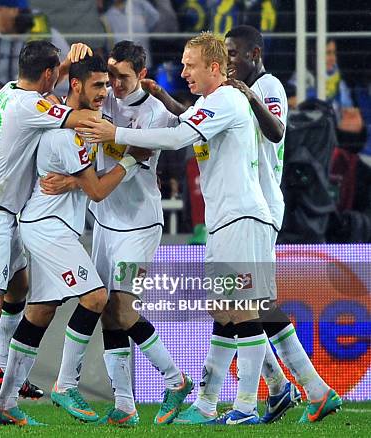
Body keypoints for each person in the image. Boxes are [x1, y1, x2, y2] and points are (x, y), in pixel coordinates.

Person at [78, 31, 274, 425]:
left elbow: (179, 135)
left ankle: (247, 407)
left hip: (242, 216)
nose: (182, 71)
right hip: (221, 221)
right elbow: (186, 120)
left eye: (190, 65)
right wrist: (165, 101)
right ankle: (206, 404)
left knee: (243, 308)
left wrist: (116, 133)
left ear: (214, 68)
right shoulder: (210, 102)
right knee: (223, 311)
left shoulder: (228, 100)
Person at [176, 24, 338, 425]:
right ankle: (301, 389)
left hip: (258, 206)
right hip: (239, 209)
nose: (229, 62)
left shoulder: (267, 87)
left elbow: (277, 131)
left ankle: (250, 398)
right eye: (225, 55)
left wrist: (249, 96)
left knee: (246, 305)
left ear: (254, 53)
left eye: (234, 54)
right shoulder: (227, 96)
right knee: (244, 305)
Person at [41, 41, 193, 427]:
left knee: (124, 309)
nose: (114, 84)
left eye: (123, 77)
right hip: (105, 223)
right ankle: (124, 404)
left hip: (139, 225)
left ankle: (175, 380)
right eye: (109, 77)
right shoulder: (102, 99)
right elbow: (58, 105)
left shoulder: (155, 114)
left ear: (142, 75)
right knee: (108, 312)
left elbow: (136, 154)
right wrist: (66, 67)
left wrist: (80, 179)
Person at [0, 54, 147, 426]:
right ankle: (66, 383)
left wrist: (74, 180)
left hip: (50, 223)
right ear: (75, 85)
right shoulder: (65, 134)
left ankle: (5, 403)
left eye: (106, 85)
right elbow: (97, 192)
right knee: (96, 298)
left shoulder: (71, 118)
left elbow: (84, 181)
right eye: (97, 85)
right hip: (48, 226)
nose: (103, 93)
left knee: (40, 311)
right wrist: (132, 162)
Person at [0, 40, 100, 427]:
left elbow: (48, 88)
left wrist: (67, 62)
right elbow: (79, 119)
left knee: (18, 289)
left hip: (4, 214)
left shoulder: (9, 90)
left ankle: (3, 369)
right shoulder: (30, 106)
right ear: (50, 75)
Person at [0, 0, 70, 98]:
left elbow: (65, 84)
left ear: (14, 11)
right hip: (1, 106)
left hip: (40, 108)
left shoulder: (50, 39)